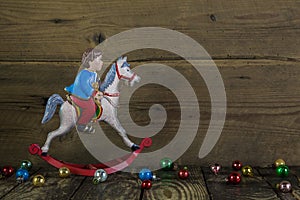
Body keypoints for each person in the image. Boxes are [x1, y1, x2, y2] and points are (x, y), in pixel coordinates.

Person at [65, 48, 103, 133]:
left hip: (88, 95)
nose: (102, 62)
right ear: (90, 62)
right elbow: (86, 88)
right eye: (99, 60)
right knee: (90, 107)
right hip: (80, 96)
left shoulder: (94, 74)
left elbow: (97, 84)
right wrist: (95, 93)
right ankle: (81, 124)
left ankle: (93, 118)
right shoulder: (84, 74)